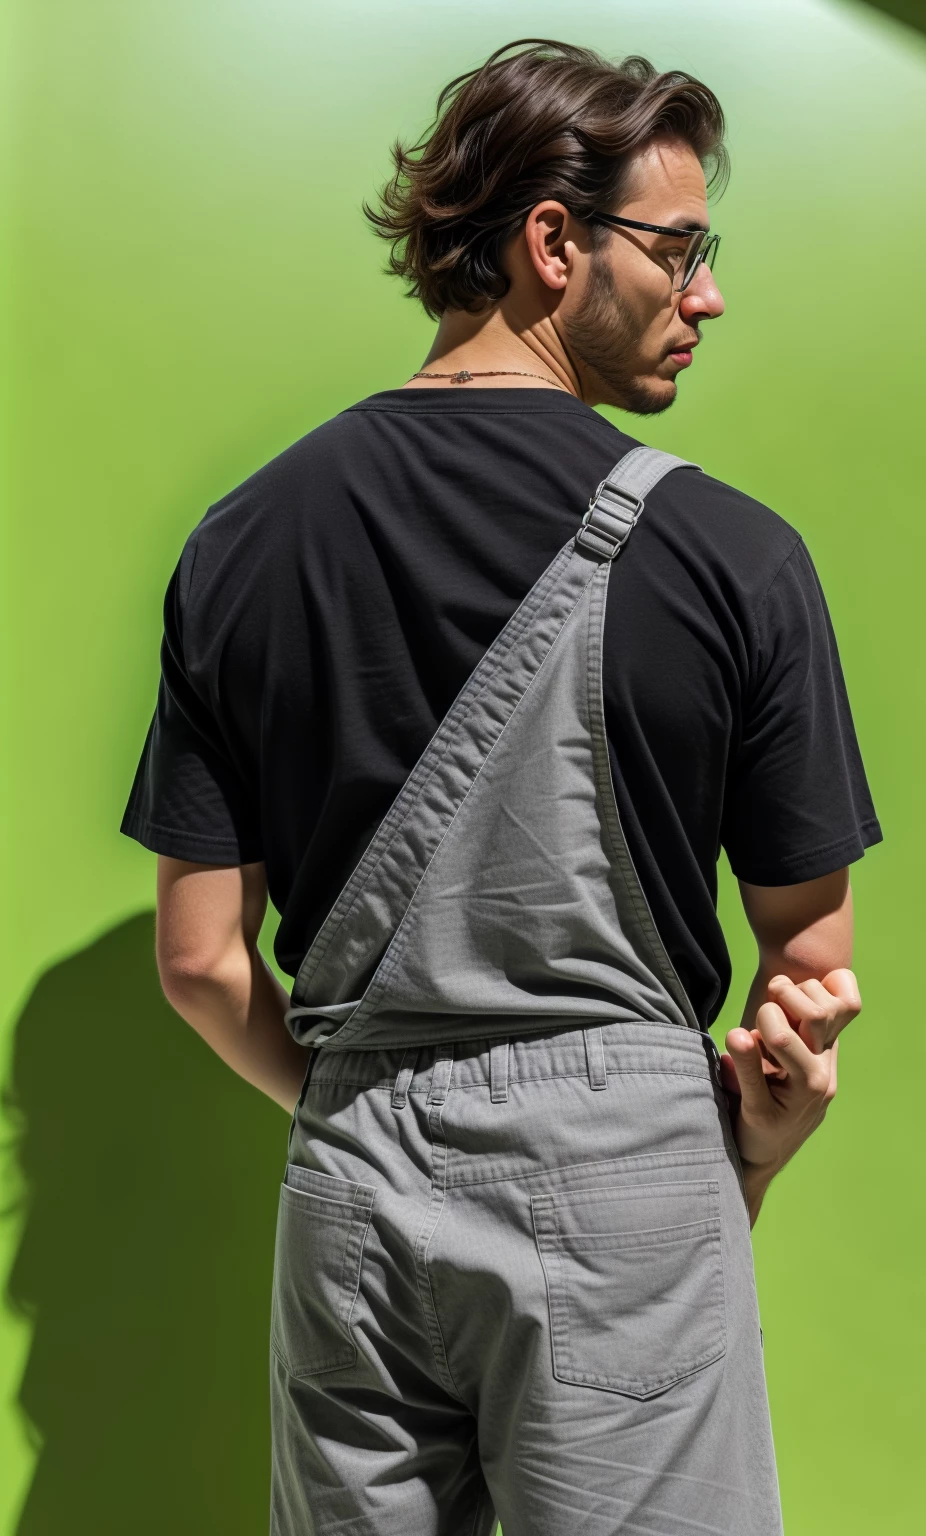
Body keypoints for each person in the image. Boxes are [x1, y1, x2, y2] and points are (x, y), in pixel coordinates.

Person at [123, 39, 880, 1536]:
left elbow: (202, 964)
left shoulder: (240, 542)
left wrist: (368, 1109)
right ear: (552, 241)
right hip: (624, 1190)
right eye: (681, 249)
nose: (708, 295)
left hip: (350, 1184)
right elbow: (810, 961)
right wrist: (753, 1137)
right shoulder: (732, 556)